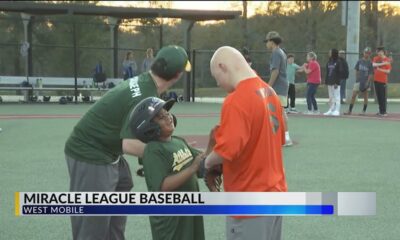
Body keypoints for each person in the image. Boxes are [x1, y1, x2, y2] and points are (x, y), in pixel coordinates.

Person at [64, 45, 191, 240]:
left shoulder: (145, 82)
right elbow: (129, 144)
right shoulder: (145, 94)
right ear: (177, 75)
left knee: (121, 192)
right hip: (91, 153)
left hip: (108, 151)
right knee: (92, 228)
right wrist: (168, 156)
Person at [205, 46, 287, 240]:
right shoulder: (270, 92)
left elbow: (226, 152)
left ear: (223, 66)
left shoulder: (236, 99)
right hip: (276, 196)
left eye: (217, 77)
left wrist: (206, 163)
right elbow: (279, 138)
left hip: (249, 201)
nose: (218, 84)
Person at [129, 97, 206, 240]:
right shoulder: (153, 151)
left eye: (166, 113)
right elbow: (163, 186)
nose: (168, 117)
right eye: (160, 117)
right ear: (148, 127)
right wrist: (192, 168)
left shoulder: (178, 141)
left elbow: (202, 161)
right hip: (171, 221)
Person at [264, 31, 292, 146]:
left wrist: (268, 86)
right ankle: (282, 136)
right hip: (282, 85)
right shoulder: (281, 52)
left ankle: (286, 137)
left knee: (280, 112)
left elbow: (275, 71)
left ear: (272, 42)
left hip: (278, 86)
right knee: (279, 111)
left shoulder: (276, 53)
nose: (266, 44)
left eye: (267, 41)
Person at [344, 47, 374, 115]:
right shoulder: (359, 61)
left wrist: (368, 82)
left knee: (365, 96)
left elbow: (371, 73)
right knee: (353, 95)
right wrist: (357, 78)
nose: (366, 54)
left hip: (366, 81)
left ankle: (364, 111)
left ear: (370, 54)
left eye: (368, 53)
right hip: (359, 81)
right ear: (363, 53)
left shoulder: (370, 63)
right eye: (365, 53)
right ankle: (349, 110)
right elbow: (356, 69)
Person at [372, 46, 391, 117]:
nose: (378, 53)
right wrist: (383, 64)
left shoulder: (387, 59)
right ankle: (380, 111)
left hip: (383, 81)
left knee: (383, 97)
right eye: (377, 51)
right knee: (379, 97)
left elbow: (388, 71)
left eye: (379, 51)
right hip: (376, 80)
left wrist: (380, 69)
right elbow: (373, 64)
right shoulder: (376, 58)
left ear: (383, 52)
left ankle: (384, 111)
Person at [324, 49, 343, 116]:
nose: (329, 53)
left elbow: (340, 73)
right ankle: (331, 109)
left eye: (330, 52)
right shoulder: (329, 61)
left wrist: (336, 82)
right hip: (329, 82)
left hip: (335, 83)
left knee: (337, 96)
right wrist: (326, 81)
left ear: (333, 53)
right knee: (331, 97)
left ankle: (337, 110)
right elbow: (327, 72)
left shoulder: (338, 62)